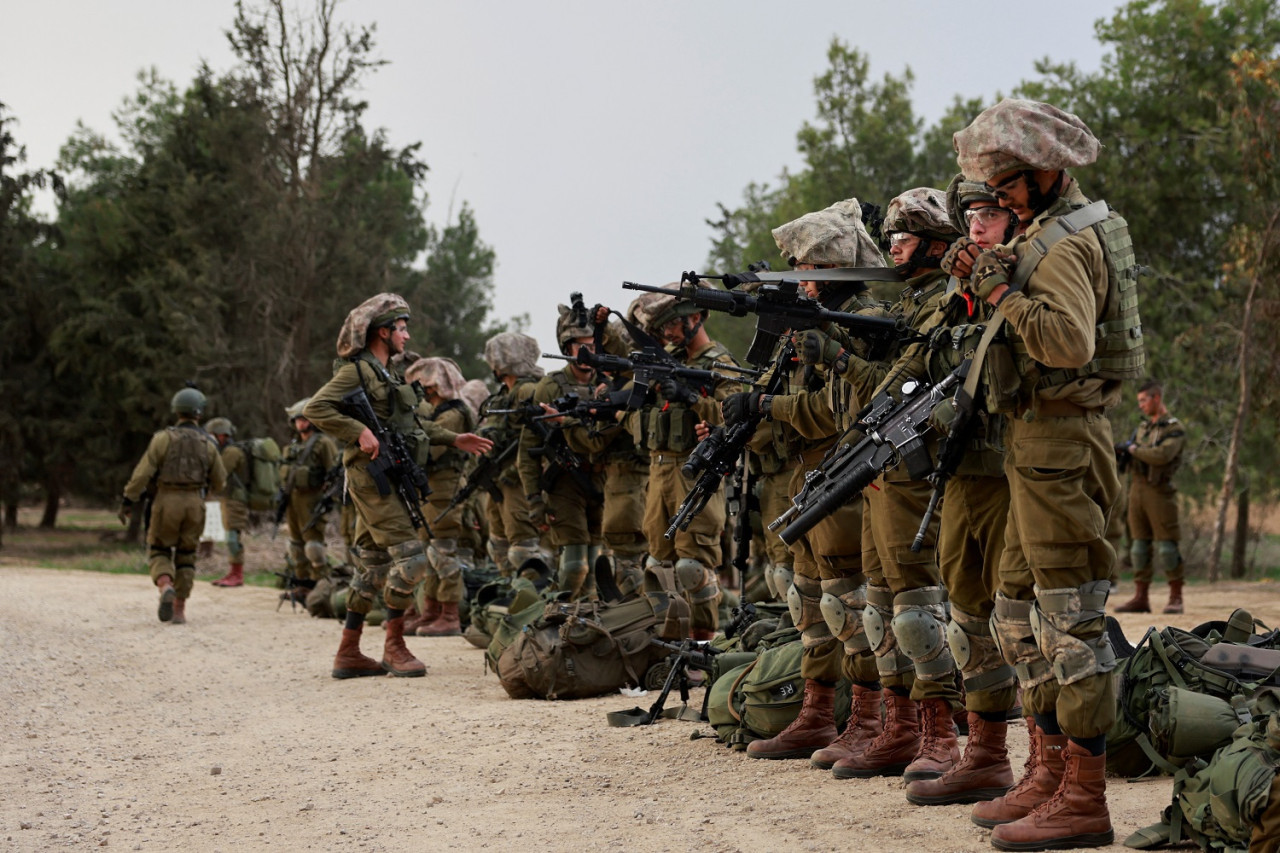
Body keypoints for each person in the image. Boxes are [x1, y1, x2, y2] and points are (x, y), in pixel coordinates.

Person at [953, 98, 1144, 850]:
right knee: (1016, 618)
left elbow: (1064, 341)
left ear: (1044, 172)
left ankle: (1086, 797)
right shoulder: (1038, 235)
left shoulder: (1066, 246)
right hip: (1031, 448)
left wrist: (1002, 292)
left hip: (1064, 446)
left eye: (1006, 182)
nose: (996, 196)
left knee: (1070, 628)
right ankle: (1047, 769)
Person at [864, 175, 1022, 807]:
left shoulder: (1020, 279)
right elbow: (921, 369)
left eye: (988, 214)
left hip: (1012, 471)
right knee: (965, 618)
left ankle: (1047, 766)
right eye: (971, 216)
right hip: (959, 475)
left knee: (1024, 620)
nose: (976, 228)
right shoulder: (956, 297)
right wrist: (875, 403)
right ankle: (982, 754)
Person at [717, 199, 889, 764]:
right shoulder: (812, 324)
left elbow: (841, 410)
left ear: (836, 268)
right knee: (806, 601)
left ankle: (868, 717)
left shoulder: (866, 322)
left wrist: (773, 404)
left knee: (848, 601)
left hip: (847, 472)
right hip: (807, 474)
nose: (803, 282)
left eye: (810, 270)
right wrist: (757, 410)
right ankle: (816, 714)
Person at [303, 293, 492, 679]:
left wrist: (454, 438)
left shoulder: (386, 374)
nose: (407, 336)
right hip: (370, 478)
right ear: (382, 332)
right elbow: (316, 408)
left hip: (388, 476)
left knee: (372, 566)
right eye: (401, 329)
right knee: (413, 559)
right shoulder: (356, 372)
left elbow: (411, 426)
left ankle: (349, 652)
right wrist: (359, 432)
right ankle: (394, 646)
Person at [621, 285, 741, 640]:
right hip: (658, 472)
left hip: (695, 474)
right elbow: (631, 411)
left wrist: (690, 397)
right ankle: (668, 641)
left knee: (692, 567)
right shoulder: (664, 358)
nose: (668, 333)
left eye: (673, 324)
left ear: (696, 316)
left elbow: (734, 413)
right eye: (662, 328)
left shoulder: (719, 362)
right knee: (658, 567)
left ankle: (703, 645)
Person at [518, 304, 606, 600]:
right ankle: (552, 622)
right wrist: (533, 500)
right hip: (564, 485)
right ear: (566, 348)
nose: (587, 353)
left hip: (601, 482)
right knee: (574, 566)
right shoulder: (549, 387)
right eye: (580, 346)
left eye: (593, 346)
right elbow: (528, 450)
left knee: (597, 566)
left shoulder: (608, 384)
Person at [120, 386, 227, 624]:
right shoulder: (208, 443)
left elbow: (141, 474)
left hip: (166, 501)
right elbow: (220, 482)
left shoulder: (162, 439)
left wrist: (128, 499)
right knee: (187, 555)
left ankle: (165, 585)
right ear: (199, 413)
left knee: (159, 549)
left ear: (176, 411)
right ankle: (179, 609)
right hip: (194, 503)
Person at [404, 356, 477, 636]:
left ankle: (450, 615)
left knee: (443, 552)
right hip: (431, 489)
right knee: (429, 552)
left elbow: (430, 448)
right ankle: (430, 611)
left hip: (445, 489)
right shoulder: (435, 412)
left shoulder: (454, 413)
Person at [477, 332, 546, 577]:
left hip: (517, 480)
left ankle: (533, 601)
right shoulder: (505, 394)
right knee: (498, 544)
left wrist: (515, 470)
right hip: (499, 479)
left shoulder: (526, 390)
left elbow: (536, 438)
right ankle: (512, 593)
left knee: (523, 548)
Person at [1115, 379, 1186, 614]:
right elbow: (1136, 454)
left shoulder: (1173, 429)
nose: (1141, 406)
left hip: (1160, 492)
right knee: (1138, 548)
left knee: (1167, 548)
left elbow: (1162, 455)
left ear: (1157, 398)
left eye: (1144, 400)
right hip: (1136, 489)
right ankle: (1140, 597)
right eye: (1139, 401)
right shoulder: (1143, 428)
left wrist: (1134, 450)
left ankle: (1176, 597)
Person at [278, 399, 340, 601]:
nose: (300, 424)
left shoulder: (323, 443)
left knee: (314, 546)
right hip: (293, 499)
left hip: (312, 498)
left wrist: (329, 496)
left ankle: (321, 586)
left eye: (304, 419)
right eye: (297, 420)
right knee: (295, 545)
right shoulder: (294, 445)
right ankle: (302, 585)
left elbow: (334, 472)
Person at [205, 417, 249, 588]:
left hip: (236, 500)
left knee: (232, 537)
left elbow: (220, 473)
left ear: (222, 435)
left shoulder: (231, 452)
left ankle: (237, 574)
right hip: (229, 498)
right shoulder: (228, 451)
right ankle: (233, 572)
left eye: (213, 435)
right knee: (230, 535)